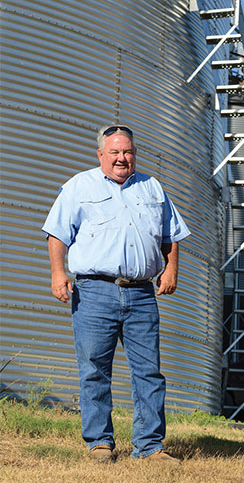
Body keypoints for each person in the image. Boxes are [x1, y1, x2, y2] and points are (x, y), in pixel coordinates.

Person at [42, 125, 190, 463]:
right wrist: (57, 272)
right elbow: (57, 234)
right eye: (115, 152)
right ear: (101, 155)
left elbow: (171, 234)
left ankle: (150, 447)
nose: (122, 158)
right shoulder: (80, 186)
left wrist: (170, 270)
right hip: (94, 292)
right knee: (94, 370)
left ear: (135, 154)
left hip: (141, 294)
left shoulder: (152, 187)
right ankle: (100, 444)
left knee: (149, 372)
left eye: (128, 152)